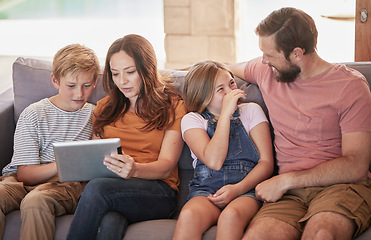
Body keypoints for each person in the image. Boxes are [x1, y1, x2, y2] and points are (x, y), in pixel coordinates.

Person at [228, 7, 371, 240]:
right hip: (289, 195)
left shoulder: (350, 87)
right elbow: (222, 68)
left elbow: (356, 166)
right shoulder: (267, 71)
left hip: (341, 187)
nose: (263, 61)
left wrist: (285, 180)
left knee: (321, 234)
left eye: (270, 55)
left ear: (296, 54)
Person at [66, 34, 186, 240]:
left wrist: (135, 169)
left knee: (97, 189)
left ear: (147, 69)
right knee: (109, 221)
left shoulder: (173, 105)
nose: (122, 81)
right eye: (115, 74)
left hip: (158, 191)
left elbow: (166, 165)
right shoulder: (105, 107)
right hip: (113, 189)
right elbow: (95, 158)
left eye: (130, 72)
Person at [0, 44, 100, 240]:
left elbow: (94, 164)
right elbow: (24, 175)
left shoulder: (95, 115)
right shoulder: (34, 114)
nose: (79, 94)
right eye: (71, 86)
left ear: (95, 81)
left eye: (86, 85)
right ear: (55, 80)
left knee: (36, 201)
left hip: (64, 184)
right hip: (19, 180)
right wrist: (64, 162)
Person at [172, 61, 274, 240]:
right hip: (206, 191)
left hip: (245, 190)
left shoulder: (250, 111)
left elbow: (266, 163)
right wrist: (225, 115)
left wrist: (236, 189)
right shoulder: (192, 120)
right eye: (221, 89)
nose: (230, 91)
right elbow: (214, 161)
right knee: (188, 217)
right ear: (203, 96)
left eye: (232, 83)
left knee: (230, 216)